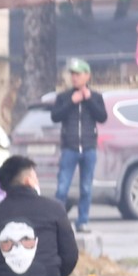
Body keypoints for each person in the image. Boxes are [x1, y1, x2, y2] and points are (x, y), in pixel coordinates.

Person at [50, 58, 107, 227]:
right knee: (62, 188)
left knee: (86, 188)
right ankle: (58, 223)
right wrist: (71, 102)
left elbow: (102, 117)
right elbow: (55, 116)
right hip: (69, 147)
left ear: (87, 76)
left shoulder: (96, 96)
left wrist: (88, 99)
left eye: (78, 74)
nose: (74, 78)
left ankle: (83, 221)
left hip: (89, 148)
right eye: (72, 75)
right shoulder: (64, 97)